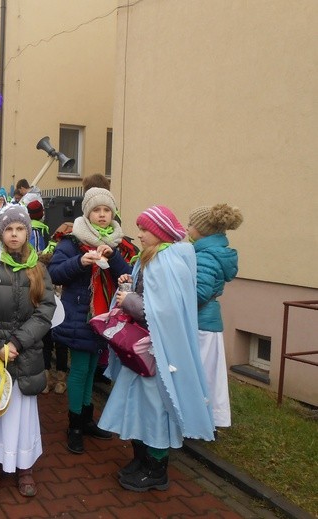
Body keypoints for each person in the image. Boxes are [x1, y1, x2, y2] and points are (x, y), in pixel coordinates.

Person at [99, 205, 215, 492]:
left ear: (160, 232)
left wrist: (128, 300)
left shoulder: (169, 261)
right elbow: (147, 296)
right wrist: (128, 285)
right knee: (138, 406)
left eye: (144, 230)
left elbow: (164, 311)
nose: (139, 235)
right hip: (143, 350)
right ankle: (141, 460)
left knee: (156, 410)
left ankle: (156, 469)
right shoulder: (150, 257)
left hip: (159, 354)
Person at [0, 204, 56, 497]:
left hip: (24, 352)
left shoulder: (38, 268)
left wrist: (16, 343)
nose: (14, 234)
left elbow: (45, 311)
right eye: (9, 229)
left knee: (20, 414)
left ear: (27, 232)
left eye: (20, 229)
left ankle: (23, 466)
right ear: (0, 232)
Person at [48, 188, 132, 454]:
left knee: (93, 367)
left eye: (107, 210)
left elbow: (128, 276)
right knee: (81, 369)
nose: (102, 215)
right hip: (80, 316)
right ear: (87, 213)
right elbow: (55, 274)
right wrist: (81, 261)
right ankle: (74, 425)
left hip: (106, 317)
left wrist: (113, 256)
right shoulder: (71, 242)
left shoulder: (120, 243)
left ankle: (86, 419)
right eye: (97, 210)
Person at [188, 203, 243, 428]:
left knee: (200, 374)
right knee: (209, 375)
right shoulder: (212, 252)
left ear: (203, 230)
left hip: (201, 323)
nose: (187, 228)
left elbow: (199, 293)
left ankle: (199, 422)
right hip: (208, 321)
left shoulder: (205, 256)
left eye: (191, 224)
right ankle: (205, 420)